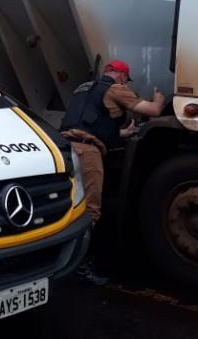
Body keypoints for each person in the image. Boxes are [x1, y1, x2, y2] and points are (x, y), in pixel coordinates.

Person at [60, 59, 165, 284]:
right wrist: (159, 98)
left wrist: (121, 134)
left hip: (65, 148)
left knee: (69, 207)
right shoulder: (116, 88)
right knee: (91, 210)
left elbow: (88, 122)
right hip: (88, 152)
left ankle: (57, 261)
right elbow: (152, 111)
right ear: (121, 75)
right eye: (126, 79)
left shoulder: (84, 87)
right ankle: (80, 267)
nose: (126, 83)